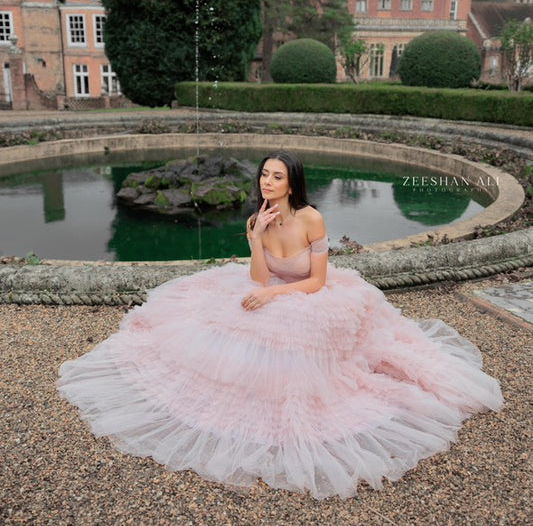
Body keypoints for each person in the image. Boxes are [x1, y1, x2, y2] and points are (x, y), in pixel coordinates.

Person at [58, 151, 503, 499]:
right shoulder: (256, 218)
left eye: (276, 177)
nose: (266, 183)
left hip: (314, 297)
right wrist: (255, 238)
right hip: (270, 287)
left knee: (289, 334)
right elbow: (257, 276)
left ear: (292, 183)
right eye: (263, 176)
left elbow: (317, 280)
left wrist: (272, 294)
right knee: (220, 325)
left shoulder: (312, 218)